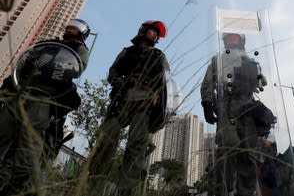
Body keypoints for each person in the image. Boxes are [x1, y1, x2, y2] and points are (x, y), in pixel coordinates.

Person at [0, 18, 90, 195]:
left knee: (27, 146)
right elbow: (26, 59)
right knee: (3, 129)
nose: (71, 29)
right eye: (69, 27)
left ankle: (9, 183)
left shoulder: (79, 50)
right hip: (21, 90)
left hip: (44, 97)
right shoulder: (48, 44)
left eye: (75, 28)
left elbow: (78, 67)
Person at [88, 20, 169, 195]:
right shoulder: (126, 52)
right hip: (122, 99)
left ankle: (127, 191)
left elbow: (163, 82)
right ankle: (93, 187)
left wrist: (159, 110)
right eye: (152, 30)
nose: (154, 34)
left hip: (145, 103)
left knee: (136, 147)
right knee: (105, 139)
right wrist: (118, 81)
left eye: (157, 33)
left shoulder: (159, 56)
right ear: (143, 30)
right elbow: (113, 71)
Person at [201, 32, 271, 196]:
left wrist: (255, 71)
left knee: (248, 152)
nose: (232, 40)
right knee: (228, 146)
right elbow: (207, 82)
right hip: (226, 104)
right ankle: (222, 190)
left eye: (235, 38)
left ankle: (246, 192)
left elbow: (263, 82)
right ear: (225, 42)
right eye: (229, 38)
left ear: (241, 41)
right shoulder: (218, 59)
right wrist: (207, 102)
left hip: (248, 106)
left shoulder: (250, 60)